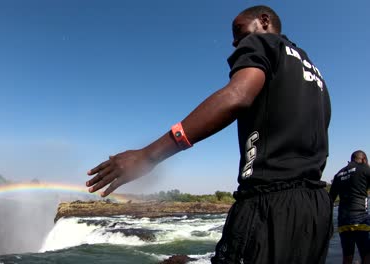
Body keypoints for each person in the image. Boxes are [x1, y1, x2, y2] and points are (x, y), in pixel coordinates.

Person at [86, 5, 332, 263]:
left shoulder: (263, 44)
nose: (235, 41)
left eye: (238, 31)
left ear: (264, 21)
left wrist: (148, 156)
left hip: (269, 204)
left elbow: (237, 96)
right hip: (315, 210)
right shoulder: (315, 74)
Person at [330, 150, 370, 264]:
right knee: (366, 253)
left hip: (343, 221)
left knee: (347, 255)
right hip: (360, 219)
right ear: (363, 160)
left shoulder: (338, 174)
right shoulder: (364, 168)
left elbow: (330, 199)